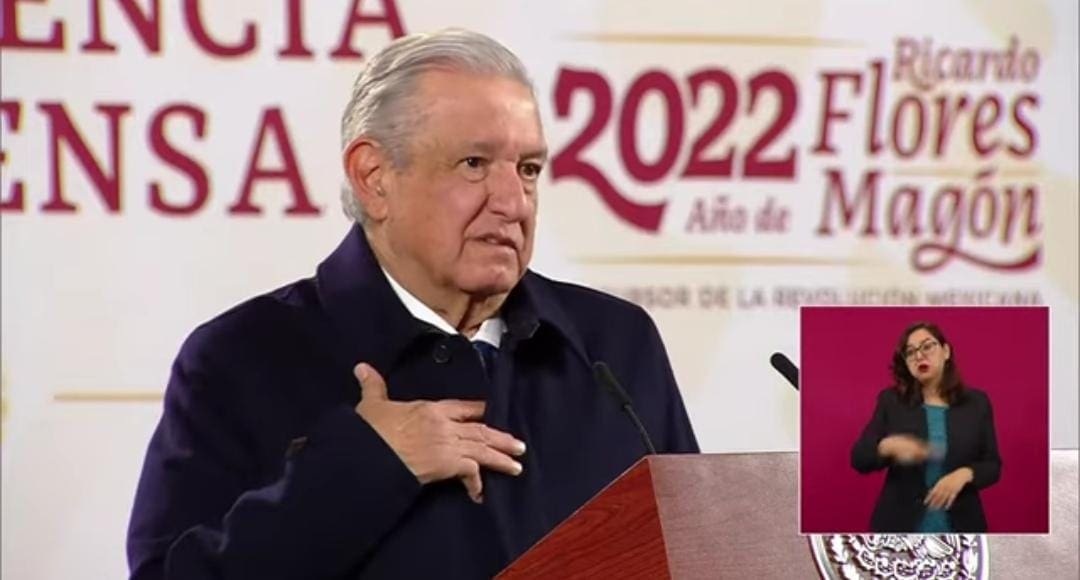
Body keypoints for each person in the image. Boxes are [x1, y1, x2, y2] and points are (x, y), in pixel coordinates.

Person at [126, 29, 699, 579]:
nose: (514, 202)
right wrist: (367, 465)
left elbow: (700, 552)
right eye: (474, 164)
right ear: (374, 177)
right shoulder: (242, 357)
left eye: (528, 169)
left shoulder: (612, 346)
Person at [850, 321, 1001, 533]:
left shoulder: (977, 403)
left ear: (946, 351)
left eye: (927, 346)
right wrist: (886, 446)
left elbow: (993, 465)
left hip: (961, 528)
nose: (919, 356)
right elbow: (858, 458)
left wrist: (965, 474)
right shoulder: (891, 401)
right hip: (900, 528)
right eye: (910, 352)